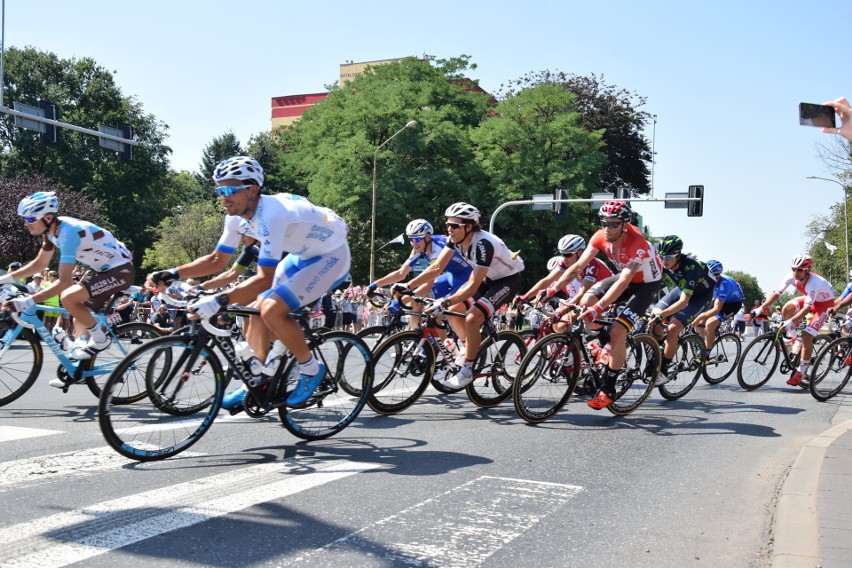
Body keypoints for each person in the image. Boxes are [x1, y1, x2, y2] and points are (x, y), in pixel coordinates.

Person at [148, 156, 350, 409]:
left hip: (331, 256)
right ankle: (257, 380)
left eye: (230, 190)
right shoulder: (235, 217)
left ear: (252, 190)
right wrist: (172, 272)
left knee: (272, 308)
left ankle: (310, 369)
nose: (223, 197)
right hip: (302, 255)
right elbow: (216, 259)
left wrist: (220, 300)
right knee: (256, 309)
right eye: (219, 190)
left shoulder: (271, 215)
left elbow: (264, 277)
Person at [0, 192, 135, 377]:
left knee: (68, 297)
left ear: (48, 217)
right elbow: (40, 264)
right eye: (24, 218)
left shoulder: (68, 233)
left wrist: (28, 301)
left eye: (31, 218)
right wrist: (5, 279)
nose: (26, 223)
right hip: (104, 270)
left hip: (121, 270)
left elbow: (65, 282)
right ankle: (77, 371)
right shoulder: (50, 232)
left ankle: (101, 340)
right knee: (77, 314)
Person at [558, 200, 662, 409]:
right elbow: (578, 266)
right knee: (587, 299)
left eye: (613, 224)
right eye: (604, 223)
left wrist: (599, 308)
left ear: (625, 225)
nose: (607, 228)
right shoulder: (600, 236)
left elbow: (625, 281)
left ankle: (609, 387)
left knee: (617, 329)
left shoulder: (637, 243)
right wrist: (553, 288)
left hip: (646, 285)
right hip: (625, 277)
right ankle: (606, 343)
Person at [418, 202, 525, 388]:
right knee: (452, 311)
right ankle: (467, 347)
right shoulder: (456, 240)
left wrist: (444, 301)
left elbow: (473, 285)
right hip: (488, 278)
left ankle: (467, 370)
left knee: (472, 317)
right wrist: (407, 286)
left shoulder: (483, 244)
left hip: (507, 280)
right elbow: (436, 267)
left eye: (454, 225)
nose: (449, 229)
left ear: (469, 227)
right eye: (447, 225)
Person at [366, 218, 472, 342]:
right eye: (411, 239)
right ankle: (417, 338)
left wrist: (399, 303)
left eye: (416, 239)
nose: (413, 243)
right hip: (452, 276)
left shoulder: (439, 248)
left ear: (427, 237)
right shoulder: (419, 248)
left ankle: (452, 350)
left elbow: (427, 285)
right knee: (417, 301)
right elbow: (401, 273)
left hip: (467, 279)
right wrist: (373, 285)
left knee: (436, 313)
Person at [754, 254, 836, 386]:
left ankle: (801, 372)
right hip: (811, 299)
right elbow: (776, 294)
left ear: (807, 270)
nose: (795, 273)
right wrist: (761, 308)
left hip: (825, 304)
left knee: (807, 336)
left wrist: (791, 322)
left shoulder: (814, 282)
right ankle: (794, 342)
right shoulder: (790, 276)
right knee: (787, 308)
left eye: (799, 270)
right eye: (794, 269)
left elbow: (806, 309)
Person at [649, 235, 716, 382]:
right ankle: (662, 348)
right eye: (661, 256)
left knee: (673, 328)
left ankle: (664, 370)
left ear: (678, 255)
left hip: (700, 296)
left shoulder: (692, 267)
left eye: (668, 257)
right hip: (682, 289)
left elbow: (684, 301)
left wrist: (663, 315)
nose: (664, 260)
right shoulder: (664, 263)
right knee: (654, 315)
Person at [691, 260, 743, 354]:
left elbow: (716, 309)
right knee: (700, 322)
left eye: (716, 276)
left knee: (710, 323)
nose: (713, 278)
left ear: (719, 274)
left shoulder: (724, 285)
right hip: (718, 299)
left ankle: (706, 353)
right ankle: (701, 345)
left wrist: (697, 319)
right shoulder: (705, 278)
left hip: (732, 304)